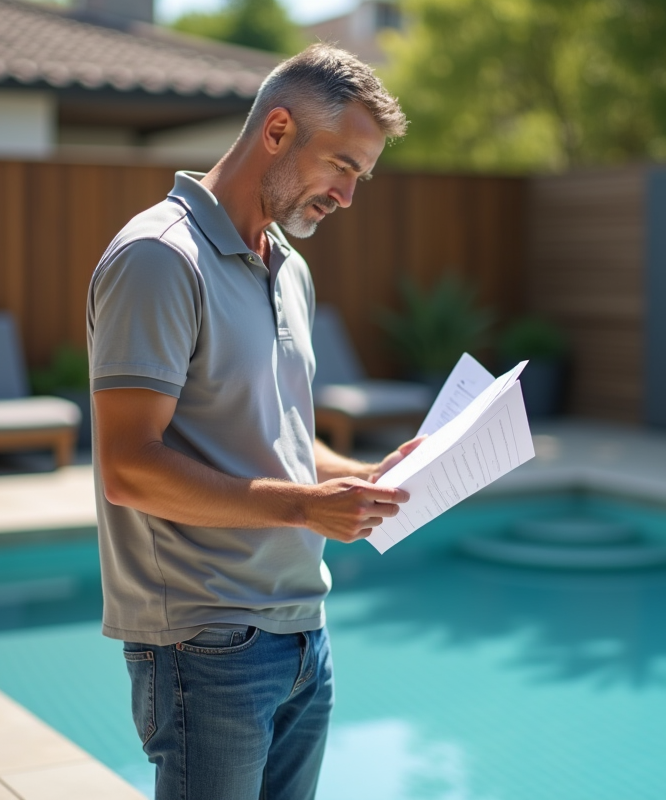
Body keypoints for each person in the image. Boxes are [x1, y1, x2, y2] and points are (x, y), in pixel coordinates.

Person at [86, 44, 419, 800]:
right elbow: (129, 467)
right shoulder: (159, 258)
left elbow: (280, 435)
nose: (348, 196)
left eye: (360, 177)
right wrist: (305, 506)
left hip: (305, 629)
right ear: (276, 131)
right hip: (209, 643)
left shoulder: (288, 267)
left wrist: (363, 476)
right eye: (341, 166)